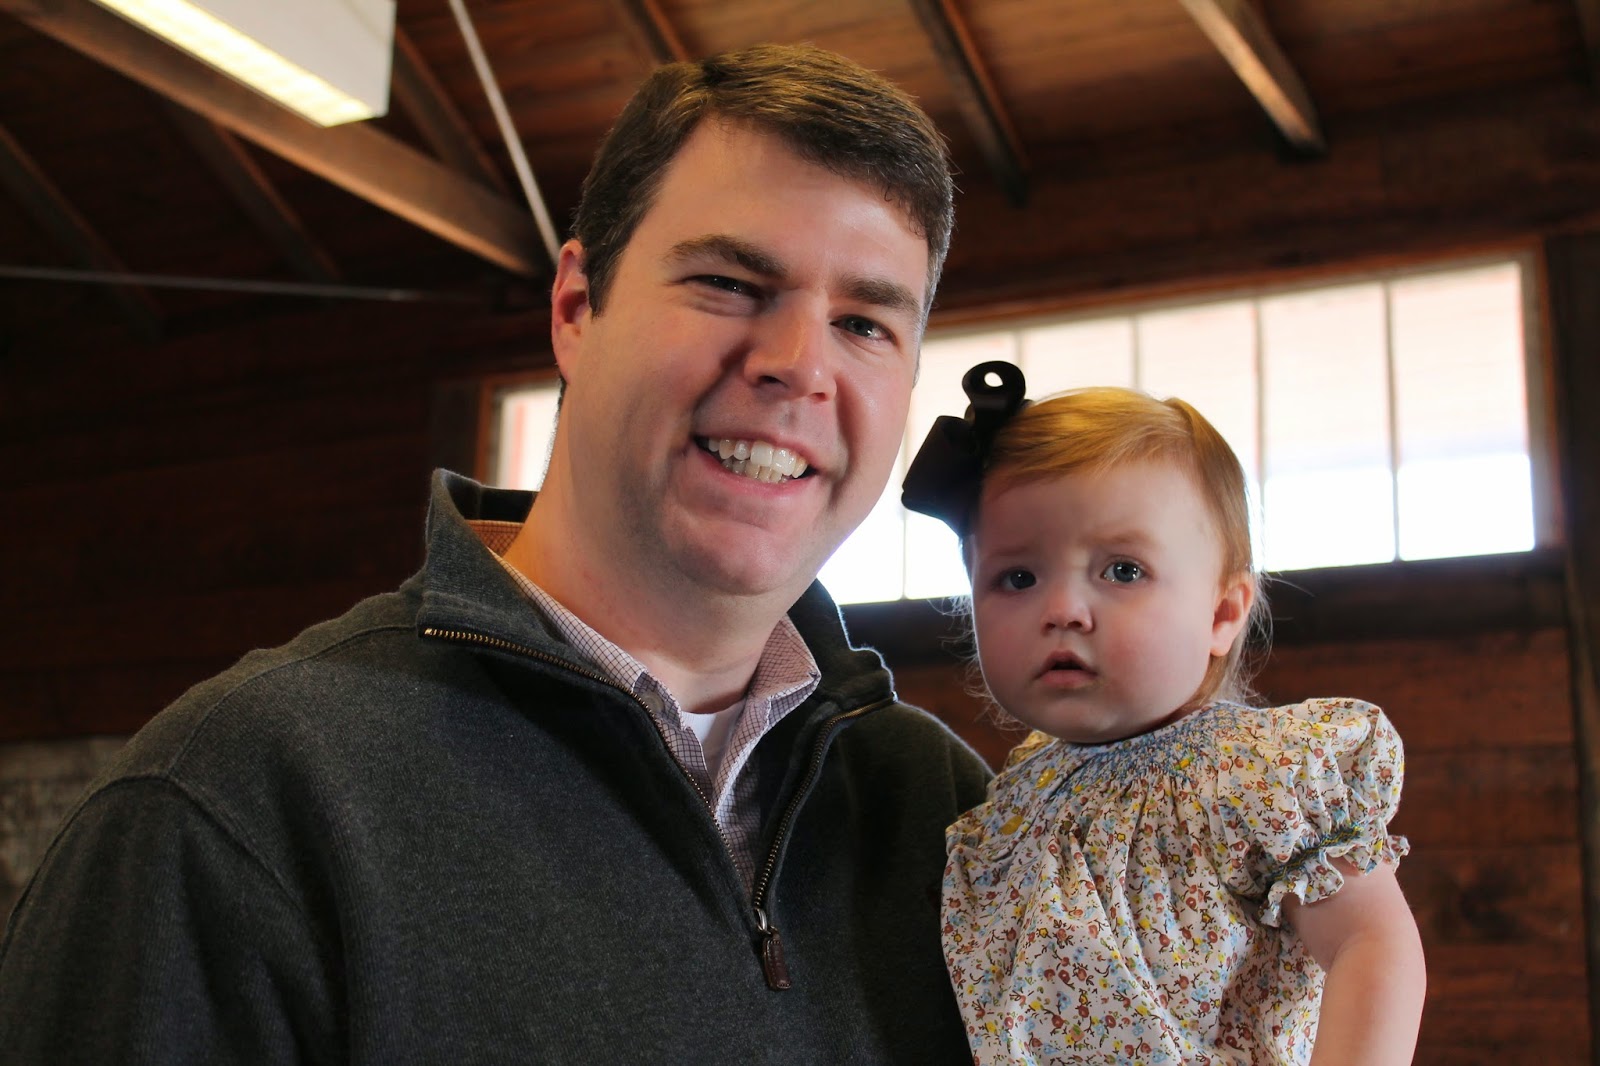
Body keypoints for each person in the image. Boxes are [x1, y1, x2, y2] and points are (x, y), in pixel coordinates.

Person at [0, 45, 992, 1064]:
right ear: (576, 309)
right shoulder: (235, 804)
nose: (798, 365)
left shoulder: (951, 816)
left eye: (863, 322)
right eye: (730, 283)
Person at [902, 363, 1426, 1065]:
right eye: (1017, 577)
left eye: (1122, 570)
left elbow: (1372, 944)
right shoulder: (1010, 808)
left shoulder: (1262, 776)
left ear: (1221, 613)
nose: (1063, 610)